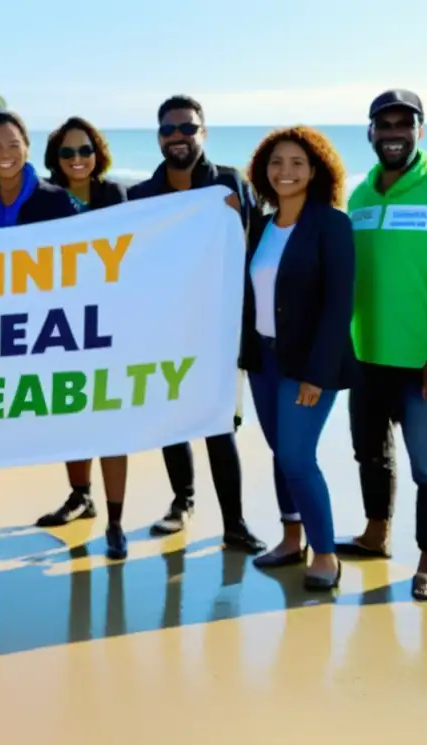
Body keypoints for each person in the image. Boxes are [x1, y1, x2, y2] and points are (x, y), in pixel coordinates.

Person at [338, 90, 427, 601]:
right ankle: (376, 536)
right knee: (369, 455)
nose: (394, 132)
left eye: (405, 123)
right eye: (384, 124)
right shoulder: (359, 198)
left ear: (420, 131)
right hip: (366, 356)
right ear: (370, 133)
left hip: (423, 363)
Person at [127, 95, 265, 554]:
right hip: (165, 326)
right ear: (159, 137)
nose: (178, 137)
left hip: (222, 328)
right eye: (169, 130)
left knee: (219, 425)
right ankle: (181, 501)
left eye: (187, 128)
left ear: (203, 132)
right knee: (173, 421)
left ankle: (235, 523)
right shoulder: (142, 196)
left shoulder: (231, 182)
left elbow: (258, 242)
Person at [0, 111, 78, 557]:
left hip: (41, 334)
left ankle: (86, 498)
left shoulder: (56, 201)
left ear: (27, 146)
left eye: (12, 144)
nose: (4, 155)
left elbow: (90, 256)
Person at [239, 126, 356, 590]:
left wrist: (316, 374)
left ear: (315, 171)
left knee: (297, 455)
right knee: (279, 453)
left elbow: (338, 305)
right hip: (262, 361)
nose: (285, 172)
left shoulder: (331, 224)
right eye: (276, 163)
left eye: (296, 163)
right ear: (263, 171)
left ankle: (324, 552)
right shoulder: (260, 225)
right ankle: (291, 540)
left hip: (307, 366)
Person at [34, 116, 130, 540]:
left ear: (98, 154)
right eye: (68, 152)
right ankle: (80, 496)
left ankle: (115, 521)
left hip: (109, 320)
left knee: (110, 419)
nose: (78, 159)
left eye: (85, 150)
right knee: (73, 413)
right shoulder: (47, 198)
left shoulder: (114, 194)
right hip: (62, 322)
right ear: (56, 158)